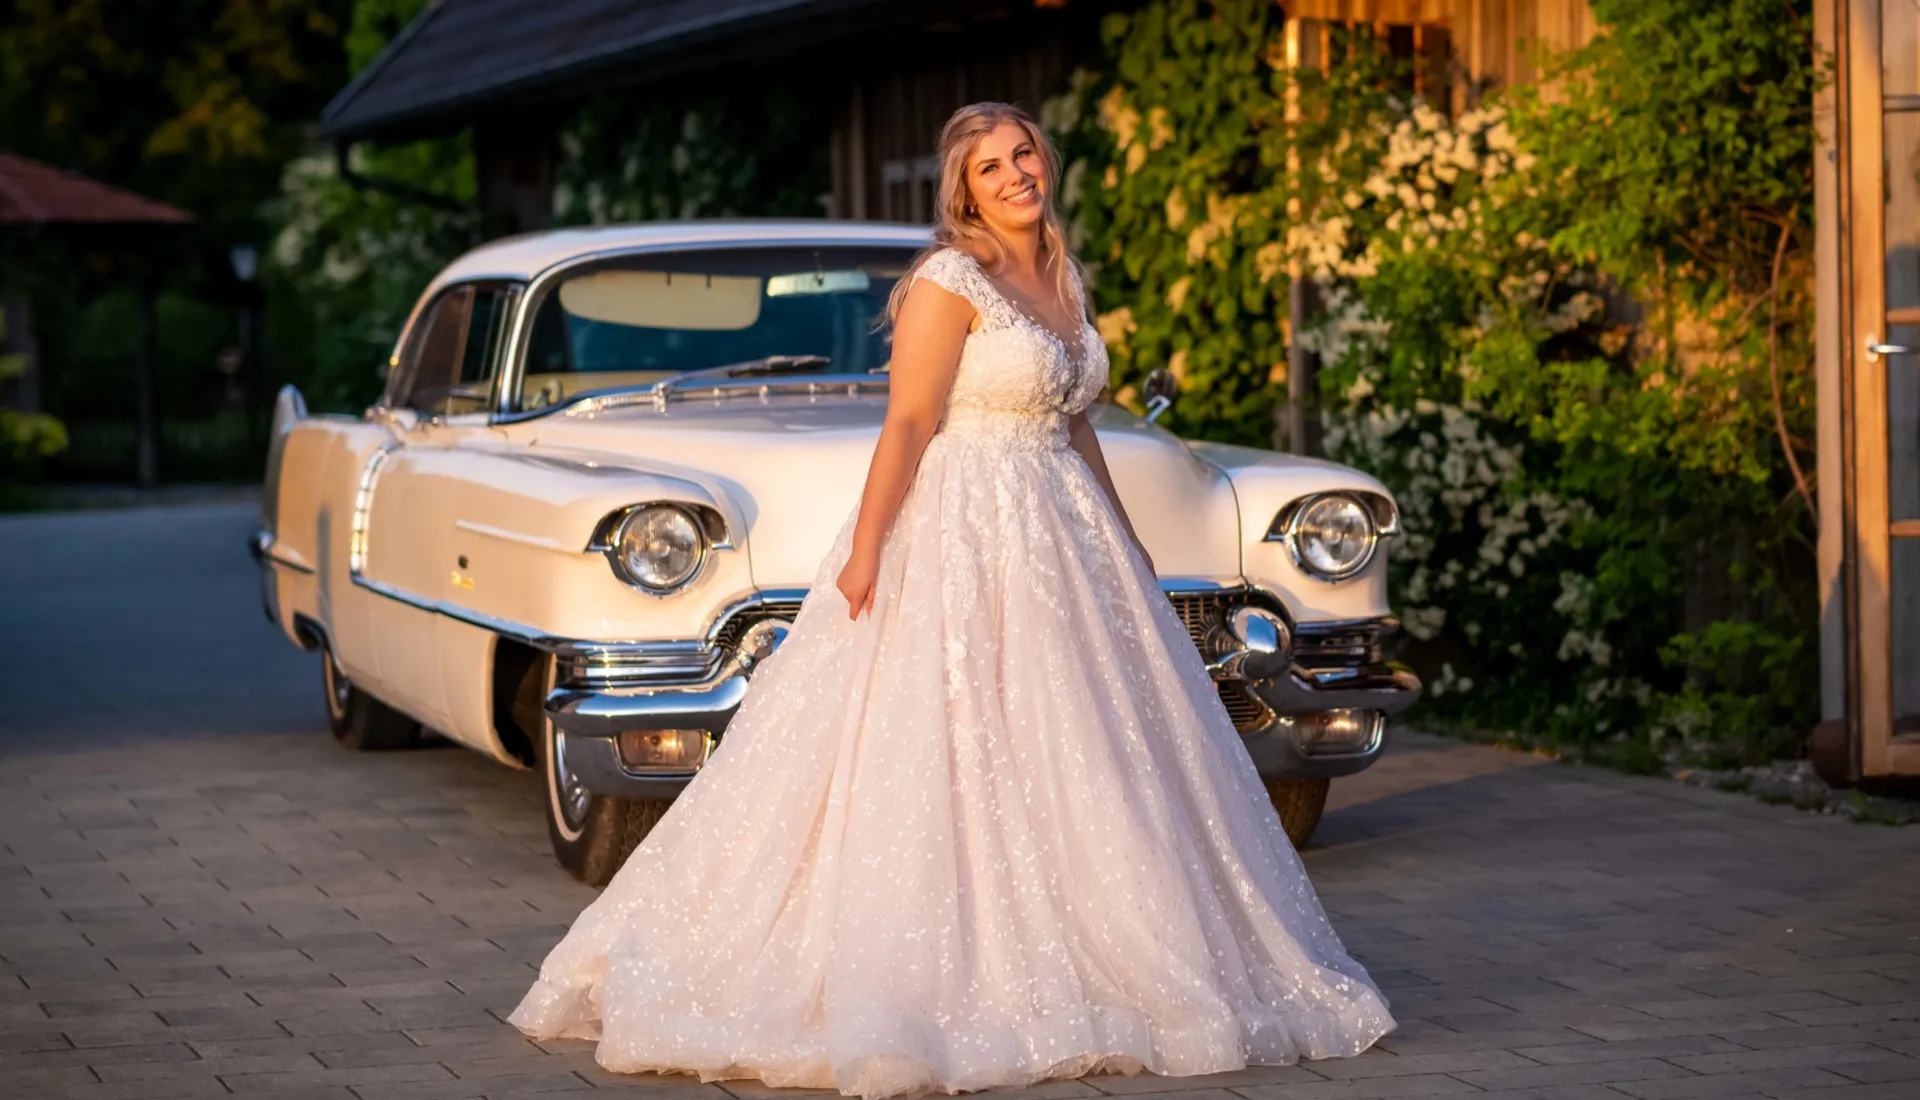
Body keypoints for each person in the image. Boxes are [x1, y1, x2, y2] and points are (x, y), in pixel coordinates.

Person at [508, 101, 1394, 1099]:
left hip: (1064, 533)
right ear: (961, 188)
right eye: (989, 166)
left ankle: (1092, 943)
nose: (1015, 174)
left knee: (1079, 743)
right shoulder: (947, 279)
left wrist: (1132, 541)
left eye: (1024, 155)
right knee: (954, 729)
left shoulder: (1057, 271)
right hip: (966, 523)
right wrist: (867, 551)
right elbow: (911, 420)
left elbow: (1079, 423)